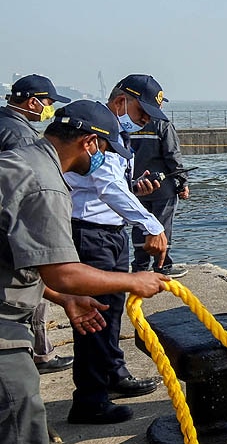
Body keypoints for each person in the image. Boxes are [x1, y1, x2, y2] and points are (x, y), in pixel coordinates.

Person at [0, 100, 169, 444]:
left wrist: (63, 300)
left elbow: (18, 261)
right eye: (106, 151)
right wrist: (135, 281)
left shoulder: (16, 161)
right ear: (90, 143)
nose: (106, 159)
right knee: (22, 435)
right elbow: (64, 272)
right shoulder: (46, 182)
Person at [63, 75, 172, 425]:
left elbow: (110, 186)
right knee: (94, 316)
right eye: (143, 110)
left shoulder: (117, 133)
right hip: (91, 234)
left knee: (111, 313)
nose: (146, 120)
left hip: (108, 232)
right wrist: (151, 224)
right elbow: (107, 187)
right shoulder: (102, 130)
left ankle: (112, 374)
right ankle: (90, 400)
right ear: (123, 100)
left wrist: (134, 188)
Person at [1, 75, 76, 376]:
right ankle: (38, 353)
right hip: (18, 235)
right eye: (48, 103)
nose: (49, 110)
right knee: (32, 292)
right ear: (32, 102)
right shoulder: (21, 137)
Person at [130, 117, 190, 278]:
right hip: (163, 186)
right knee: (163, 225)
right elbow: (172, 155)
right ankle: (162, 266)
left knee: (139, 223)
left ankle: (140, 265)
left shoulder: (128, 122)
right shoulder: (162, 124)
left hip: (136, 184)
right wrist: (183, 181)